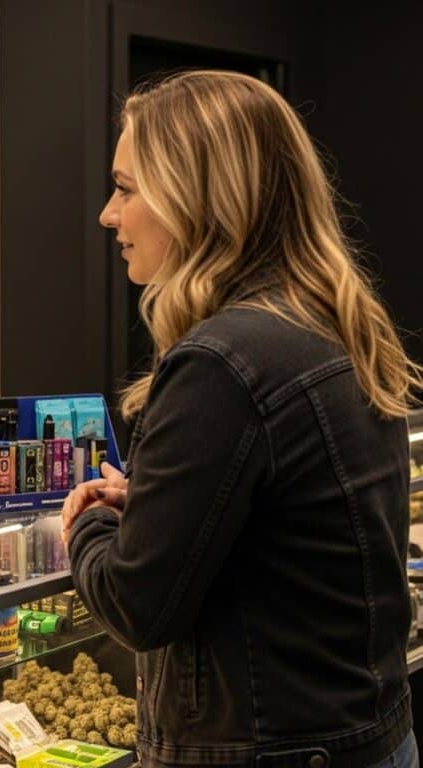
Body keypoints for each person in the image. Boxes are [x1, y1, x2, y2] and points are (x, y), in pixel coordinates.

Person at [61, 70, 421, 767]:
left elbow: (139, 606)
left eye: (127, 188)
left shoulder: (221, 361)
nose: (109, 214)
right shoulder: (329, 321)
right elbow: (294, 524)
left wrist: (93, 526)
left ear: (196, 198)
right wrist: (167, 507)